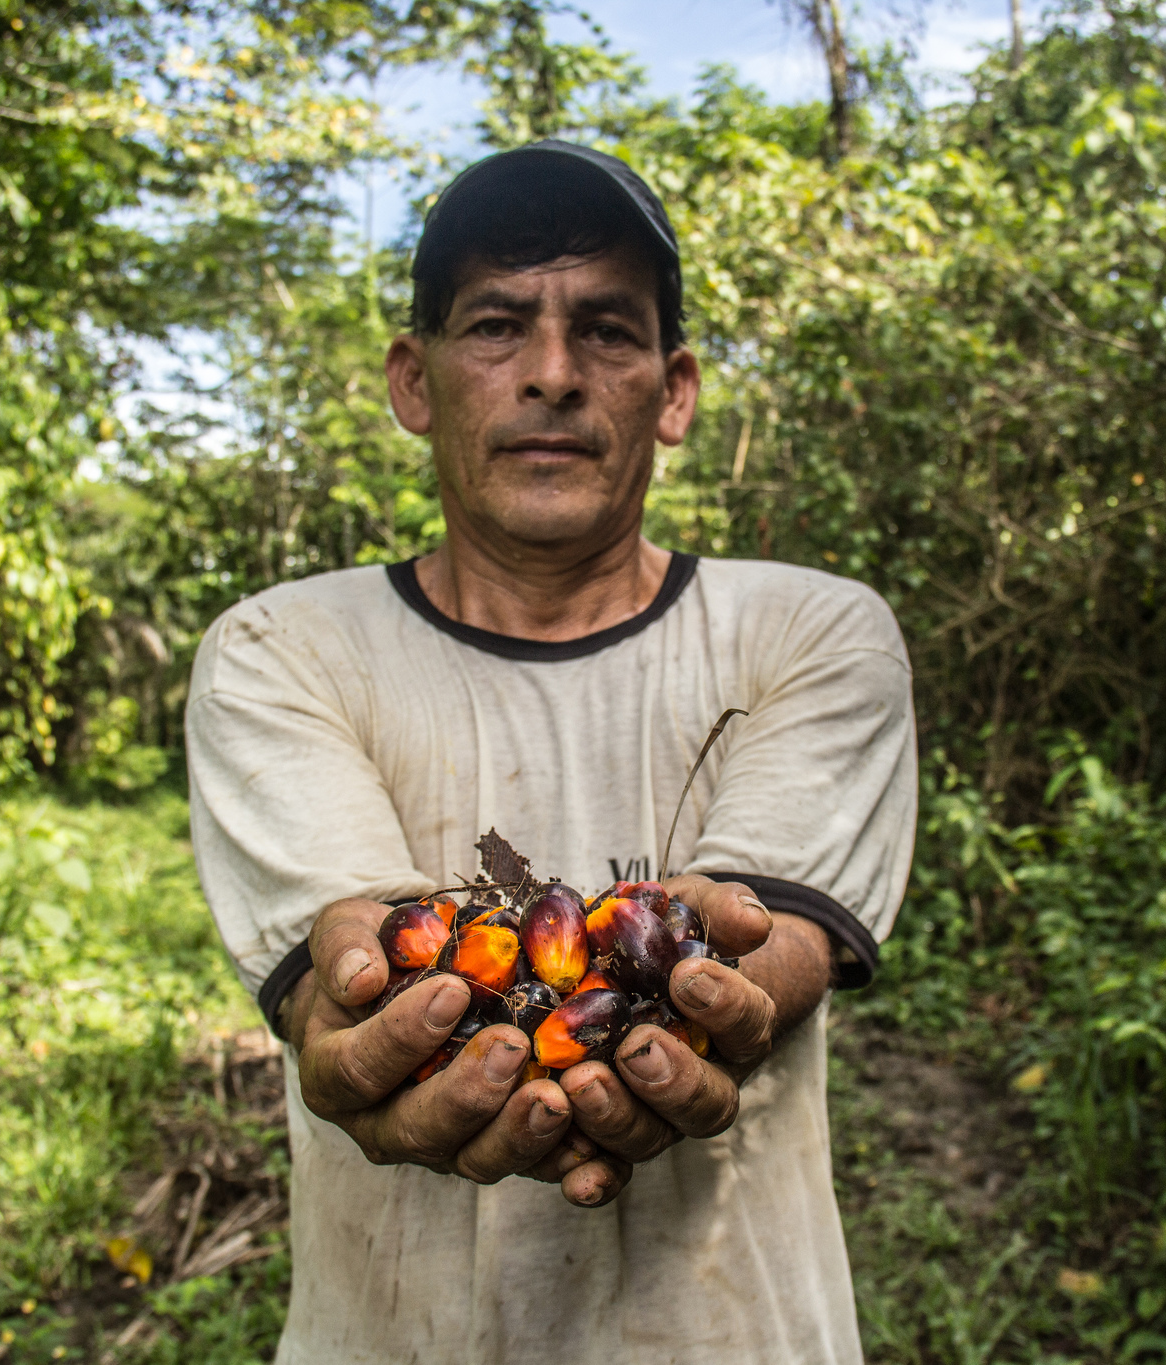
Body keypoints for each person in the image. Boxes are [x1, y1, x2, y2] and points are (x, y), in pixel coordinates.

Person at [186, 140, 917, 1365]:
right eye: (495, 325)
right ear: (412, 380)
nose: (551, 376)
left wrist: (724, 976)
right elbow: (353, 975)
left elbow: (769, 942)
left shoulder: (810, 631)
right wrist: (359, 1013)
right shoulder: (282, 648)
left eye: (608, 332)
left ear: (673, 392)